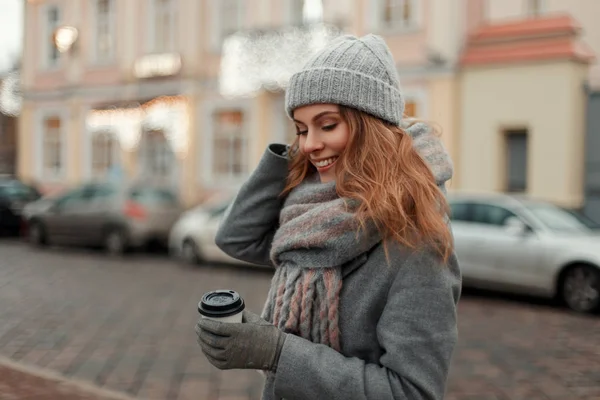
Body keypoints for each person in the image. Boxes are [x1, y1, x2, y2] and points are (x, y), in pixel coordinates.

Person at [195, 34, 461, 400]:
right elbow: (236, 237)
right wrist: (293, 155)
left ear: (372, 127)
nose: (308, 144)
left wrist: (277, 352)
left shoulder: (417, 244)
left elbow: (411, 392)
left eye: (328, 124)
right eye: (301, 130)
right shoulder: (315, 214)